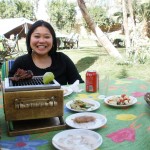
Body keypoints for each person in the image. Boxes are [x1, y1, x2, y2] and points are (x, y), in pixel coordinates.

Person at [8, 20, 84, 85]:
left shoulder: (62, 59)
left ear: (53, 40)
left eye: (47, 37)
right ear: (29, 39)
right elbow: (10, 87)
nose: (41, 41)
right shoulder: (20, 63)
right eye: (37, 36)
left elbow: (78, 83)